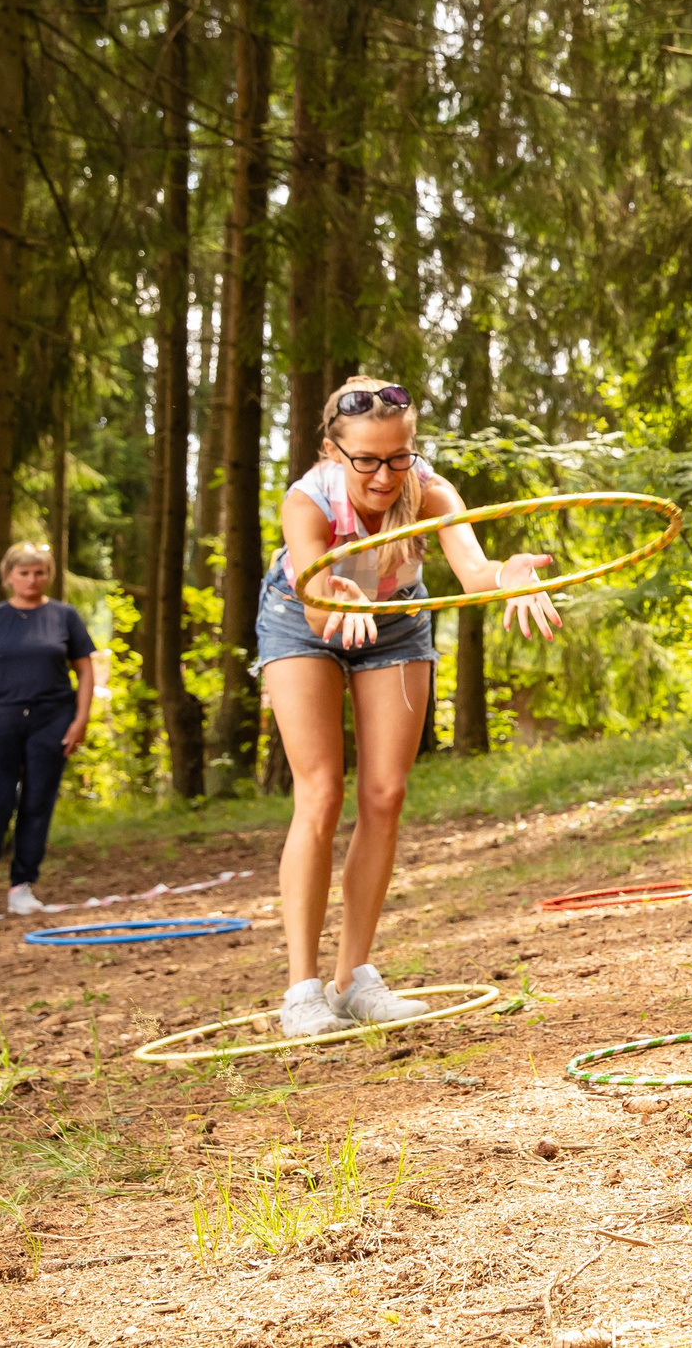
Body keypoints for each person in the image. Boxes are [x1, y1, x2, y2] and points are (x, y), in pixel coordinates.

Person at [262, 375, 561, 1038]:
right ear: (333, 451)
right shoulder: (307, 502)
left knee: (386, 793)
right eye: (367, 459)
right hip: (300, 622)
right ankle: (302, 990)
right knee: (319, 793)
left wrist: (506, 573)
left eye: (398, 457)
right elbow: (316, 607)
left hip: (395, 624)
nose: (384, 474)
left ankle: (353, 979)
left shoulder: (428, 490)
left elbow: (473, 571)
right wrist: (335, 591)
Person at [0, 542, 97, 920]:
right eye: (23, 573)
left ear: (48, 575)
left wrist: (80, 719)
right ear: (8, 577)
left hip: (52, 720)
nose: (31, 580)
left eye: (39, 572)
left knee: (38, 802)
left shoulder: (64, 616)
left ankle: (22, 885)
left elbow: (84, 670)